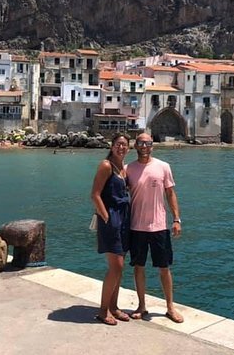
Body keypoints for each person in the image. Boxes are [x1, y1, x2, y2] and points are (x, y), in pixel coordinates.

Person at [126, 132, 184, 323]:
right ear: (135, 146)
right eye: (141, 143)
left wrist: (176, 219)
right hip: (136, 226)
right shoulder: (128, 169)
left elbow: (170, 193)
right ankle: (141, 306)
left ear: (153, 146)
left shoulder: (163, 167)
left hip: (159, 226)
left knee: (164, 268)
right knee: (138, 267)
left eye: (148, 143)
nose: (144, 146)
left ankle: (170, 307)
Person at [90, 132, 132, 326]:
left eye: (124, 145)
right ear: (111, 146)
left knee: (120, 267)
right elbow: (95, 194)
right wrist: (106, 217)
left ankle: (114, 307)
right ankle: (103, 310)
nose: (121, 147)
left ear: (128, 148)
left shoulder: (122, 168)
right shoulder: (106, 166)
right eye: (118, 144)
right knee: (116, 266)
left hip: (124, 218)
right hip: (112, 219)